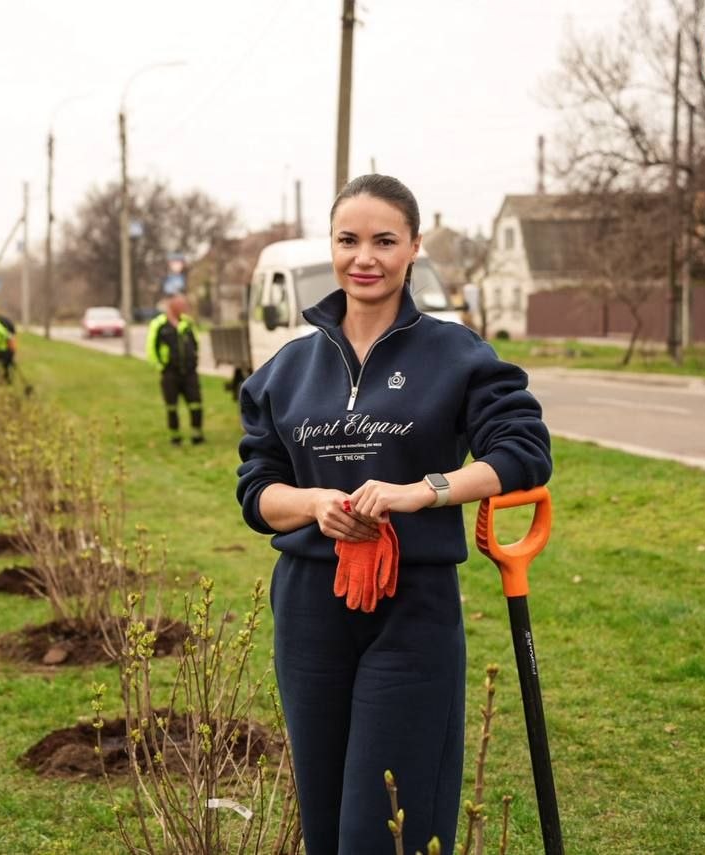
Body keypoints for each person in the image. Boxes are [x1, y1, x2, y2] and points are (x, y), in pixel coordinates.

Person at [236, 174, 551, 854]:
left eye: (384, 240)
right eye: (349, 240)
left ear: (412, 248)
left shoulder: (455, 354)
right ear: (332, 247)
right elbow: (258, 491)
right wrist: (315, 504)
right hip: (309, 611)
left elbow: (524, 452)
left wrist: (423, 490)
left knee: (383, 826)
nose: (365, 257)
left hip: (413, 609)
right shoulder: (287, 370)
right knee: (323, 825)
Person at [146, 293, 205, 445]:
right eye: (181, 305)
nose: (184, 308)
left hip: (189, 373)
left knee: (196, 403)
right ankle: (175, 436)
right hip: (170, 373)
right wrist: (161, 366)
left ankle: (197, 435)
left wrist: (194, 359)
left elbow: (196, 343)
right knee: (171, 406)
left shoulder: (188, 323)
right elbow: (151, 348)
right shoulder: (159, 324)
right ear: (172, 306)